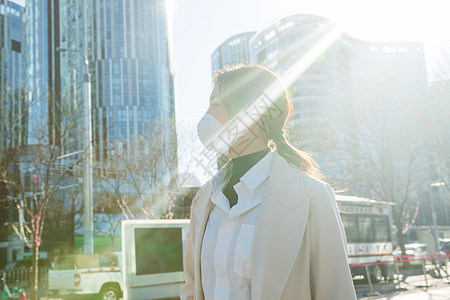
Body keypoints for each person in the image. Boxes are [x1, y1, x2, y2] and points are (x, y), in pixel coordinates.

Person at [181, 63, 357, 300]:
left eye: (215, 105)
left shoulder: (311, 196)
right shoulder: (203, 200)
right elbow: (192, 289)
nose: (206, 116)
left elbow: (336, 293)